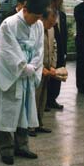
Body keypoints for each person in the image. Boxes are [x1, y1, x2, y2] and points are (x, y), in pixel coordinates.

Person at [0, 0, 48, 165]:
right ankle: (5, 149)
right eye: (34, 17)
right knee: (7, 112)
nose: (35, 21)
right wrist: (23, 66)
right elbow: (6, 52)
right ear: (25, 10)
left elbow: (39, 50)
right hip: (11, 76)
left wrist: (33, 66)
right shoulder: (9, 24)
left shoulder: (39, 25)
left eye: (38, 18)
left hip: (27, 75)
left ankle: (22, 145)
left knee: (24, 112)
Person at [29, 8, 57, 137]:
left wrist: (52, 65)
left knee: (43, 98)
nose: (51, 26)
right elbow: (32, 52)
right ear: (43, 19)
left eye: (53, 24)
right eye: (50, 23)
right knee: (34, 97)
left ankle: (39, 123)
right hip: (36, 69)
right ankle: (30, 126)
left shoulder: (51, 30)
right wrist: (40, 68)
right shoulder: (34, 29)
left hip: (47, 69)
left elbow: (54, 46)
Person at [47, 0, 67, 110]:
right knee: (50, 74)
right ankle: (46, 100)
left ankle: (53, 98)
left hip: (61, 49)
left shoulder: (62, 15)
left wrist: (64, 51)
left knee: (58, 73)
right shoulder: (47, 14)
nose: (61, 2)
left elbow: (64, 34)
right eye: (60, 0)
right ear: (53, 0)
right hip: (50, 48)